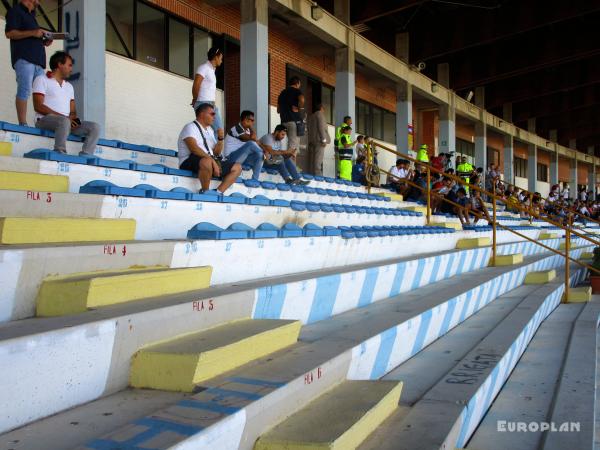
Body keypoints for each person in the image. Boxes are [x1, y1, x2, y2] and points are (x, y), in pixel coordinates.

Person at [33, 51, 100, 155]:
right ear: (60, 64)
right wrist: (65, 119)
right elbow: (38, 106)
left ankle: (86, 155)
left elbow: (73, 111)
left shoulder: (69, 86)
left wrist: (74, 121)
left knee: (95, 127)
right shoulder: (41, 79)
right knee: (64, 121)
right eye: (69, 65)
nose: (71, 69)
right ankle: (60, 152)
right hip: (43, 120)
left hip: (65, 122)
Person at [5, 0, 52, 126]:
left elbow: (30, 38)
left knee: (42, 94)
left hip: (38, 61)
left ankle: (42, 123)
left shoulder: (32, 15)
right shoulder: (15, 11)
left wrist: (44, 42)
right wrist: (33, 32)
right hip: (25, 58)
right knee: (25, 90)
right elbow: (10, 33)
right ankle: (23, 124)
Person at [178, 102, 240, 194]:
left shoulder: (210, 131)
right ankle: (205, 191)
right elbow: (194, 149)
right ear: (202, 114)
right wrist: (212, 161)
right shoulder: (190, 127)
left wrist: (220, 139)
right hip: (189, 161)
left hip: (209, 160)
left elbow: (217, 153)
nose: (214, 117)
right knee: (206, 162)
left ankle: (217, 192)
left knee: (237, 167)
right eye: (212, 114)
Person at [192, 47, 224, 140]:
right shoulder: (204, 68)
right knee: (219, 130)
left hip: (210, 104)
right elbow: (196, 84)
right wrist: (195, 99)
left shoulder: (211, 70)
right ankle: (214, 153)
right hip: (203, 103)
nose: (221, 61)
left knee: (215, 131)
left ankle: (212, 153)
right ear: (216, 57)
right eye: (221, 58)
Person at [222, 110, 264, 181]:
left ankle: (254, 180)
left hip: (241, 158)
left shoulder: (247, 130)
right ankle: (266, 155)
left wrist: (265, 151)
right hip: (230, 158)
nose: (253, 122)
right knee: (251, 144)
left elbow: (257, 141)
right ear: (245, 119)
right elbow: (252, 139)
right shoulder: (236, 128)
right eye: (251, 120)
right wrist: (251, 127)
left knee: (259, 155)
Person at [277, 76, 304, 159]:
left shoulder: (282, 93)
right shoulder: (297, 91)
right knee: (293, 147)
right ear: (297, 83)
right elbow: (302, 99)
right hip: (294, 121)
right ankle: (291, 167)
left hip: (284, 121)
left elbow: (278, 110)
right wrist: (300, 108)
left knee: (282, 144)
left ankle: (285, 164)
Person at [307, 103, 330, 176]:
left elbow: (308, 128)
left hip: (311, 140)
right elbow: (321, 127)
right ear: (321, 108)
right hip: (319, 140)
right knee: (318, 160)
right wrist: (324, 140)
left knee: (312, 161)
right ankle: (318, 177)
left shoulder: (311, 116)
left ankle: (311, 176)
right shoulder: (320, 114)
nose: (324, 110)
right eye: (324, 109)